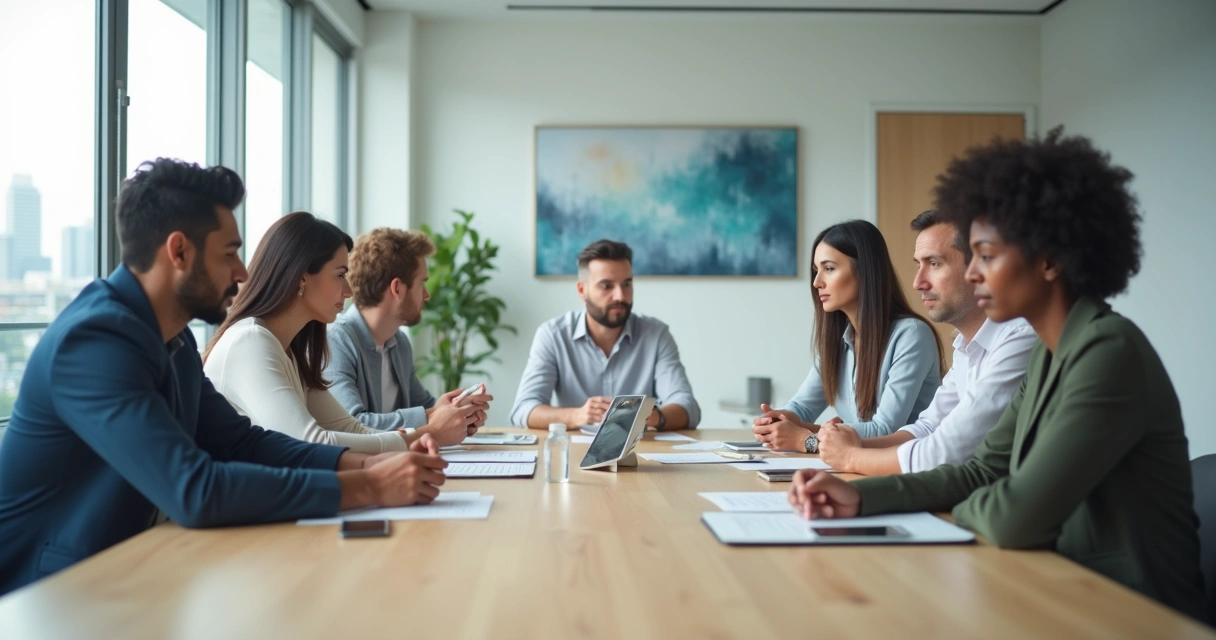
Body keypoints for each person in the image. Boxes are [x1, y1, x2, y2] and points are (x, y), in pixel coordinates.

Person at [788, 129, 1204, 619]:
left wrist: (978, 494)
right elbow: (982, 472)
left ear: (1049, 259)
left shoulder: (1106, 352)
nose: (972, 274)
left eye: (986, 256)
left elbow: (1013, 517)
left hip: (1129, 612)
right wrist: (855, 495)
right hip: (1061, 589)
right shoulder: (1053, 353)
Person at [0, 159, 446, 596]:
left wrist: (369, 463)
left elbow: (241, 442)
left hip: (131, 573)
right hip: (51, 595)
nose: (243, 272)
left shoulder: (171, 341)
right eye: (229, 253)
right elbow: (195, 489)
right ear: (178, 252)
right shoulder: (95, 341)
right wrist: (369, 486)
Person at [203, 213, 483, 454]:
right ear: (301, 276)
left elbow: (352, 429)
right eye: (340, 275)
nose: (349, 291)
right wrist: (427, 435)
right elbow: (309, 442)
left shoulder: (291, 350)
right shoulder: (251, 341)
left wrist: (425, 432)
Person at [815, 210, 1036, 475]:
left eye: (934, 263)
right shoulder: (965, 346)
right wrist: (855, 444)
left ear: (980, 269)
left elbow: (945, 452)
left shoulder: (1019, 338)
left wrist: (851, 457)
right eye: (918, 264)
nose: (918, 282)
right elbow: (928, 427)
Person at [752, 219, 943, 453]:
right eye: (816, 270)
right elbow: (801, 408)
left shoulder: (912, 335)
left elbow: (885, 430)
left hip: (903, 471)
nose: (816, 282)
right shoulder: (839, 340)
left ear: (865, 271)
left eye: (829, 268)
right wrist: (777, 421)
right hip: (854, 466)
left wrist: (806, 438)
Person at [509, 239, 700, 431]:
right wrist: (578, 415)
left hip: (639, 455)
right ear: (582, 290)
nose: (620, 296)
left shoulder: (656, 335)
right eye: (606, 286)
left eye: (626, 284)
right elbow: (523, 410)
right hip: (575, 453)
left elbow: (688, 407)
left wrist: (653, 416)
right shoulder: (553, 335)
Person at [324, 227, 491, 446]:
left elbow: (424, 406)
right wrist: (434, 416)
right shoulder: (336, 340)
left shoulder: (398, 343)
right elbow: (352, 425)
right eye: (422, 283)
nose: (427, 294)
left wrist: (459, 415)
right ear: (397, 289)